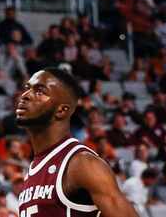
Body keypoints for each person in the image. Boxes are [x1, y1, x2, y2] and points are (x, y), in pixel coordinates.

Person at [15, 68, 139, 217]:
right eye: (27, 88)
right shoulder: (34, 168)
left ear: (61, 110)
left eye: (40, 91)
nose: (25, 95)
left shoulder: (82, 163)